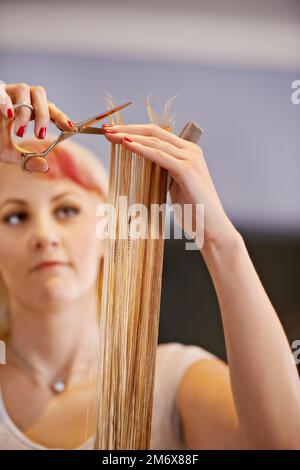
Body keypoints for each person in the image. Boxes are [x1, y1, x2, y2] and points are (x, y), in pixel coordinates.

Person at [0, 82, 299, 450]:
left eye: (67, 210)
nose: (44, 235)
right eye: (14, 217)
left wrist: (222, 241)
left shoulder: (172, 379)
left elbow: (283, 443)